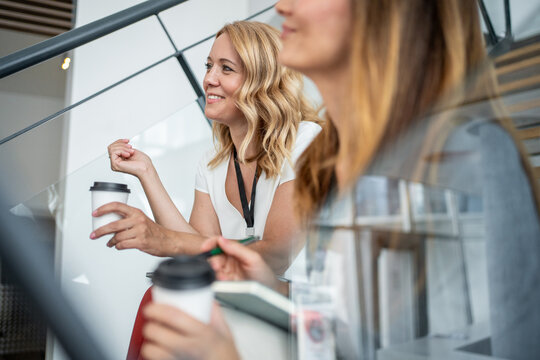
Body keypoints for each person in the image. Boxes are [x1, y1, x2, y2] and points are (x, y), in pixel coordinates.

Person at [140, 0, 540, 359]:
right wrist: (274, 290)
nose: (283, 5)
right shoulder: (334, 157)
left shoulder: (458, 155)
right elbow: (350, 333)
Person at [91, 21, 321, 274]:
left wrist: (164, 239)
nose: (209, 79)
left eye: (226, 68)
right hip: (238, 306)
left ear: (262, 81)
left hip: (299, 309)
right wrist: (147, 172)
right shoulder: (213, 162)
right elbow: (197, 251)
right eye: (209, 66)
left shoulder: (305, 142)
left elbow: (276, 256)